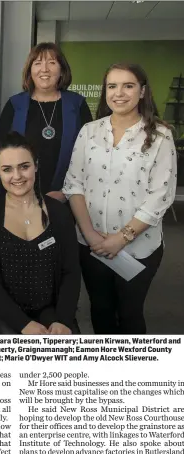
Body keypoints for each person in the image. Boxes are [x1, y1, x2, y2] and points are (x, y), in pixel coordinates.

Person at [63, 63, 177, 335]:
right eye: (112, 86)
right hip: (91, 244)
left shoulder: (160, 136)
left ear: (142, 92)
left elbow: (160, 196)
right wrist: (90, 235)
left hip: (139, 247)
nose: (119, 93)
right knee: (100, 310)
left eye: (128, 86)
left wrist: (121, 238)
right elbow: (73, 184)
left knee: (129, 313)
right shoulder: (89, 131)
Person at [0, 132, 80, 335]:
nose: (17, 176)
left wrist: (63, 320)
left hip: (50, 309)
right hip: (0, 311)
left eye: (24, 166)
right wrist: (23, 324)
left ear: (35, 165)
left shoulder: (59, 213)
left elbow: (70, 271)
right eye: (7, 169)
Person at [0, 42, 93, 200]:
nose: (44, 69)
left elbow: (89, 155)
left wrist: (66, 193)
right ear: (30, 71)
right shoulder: (15, 105)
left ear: (62, 70)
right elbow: (0, 151)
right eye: (38, 63)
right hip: (19, 197)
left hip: (65, 198)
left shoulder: (77, 105)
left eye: (52, 63)